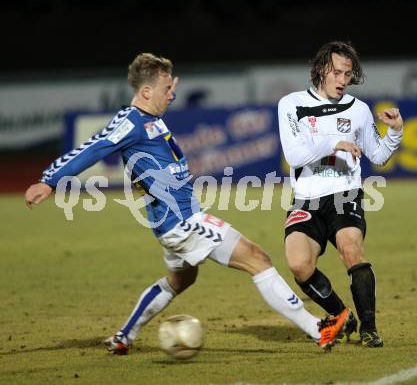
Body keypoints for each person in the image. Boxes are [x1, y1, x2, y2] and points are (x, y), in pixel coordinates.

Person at [25, 53, 349, 355]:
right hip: (183, 222)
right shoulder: (132, 121)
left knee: (181, 279)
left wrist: (165, 87)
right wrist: (50, 179)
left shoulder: (151, 117)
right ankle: (316, 329)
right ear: (147, 91)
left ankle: (124, 336)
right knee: (257, 258)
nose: (173, 95)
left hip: (172, 222)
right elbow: (94, 147)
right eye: (167, 89)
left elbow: (155, 138)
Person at [278, 41, 404, 348]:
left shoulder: (359, 110)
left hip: (344, 195)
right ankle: (341, 314)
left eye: (348, 74)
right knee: (298, 264)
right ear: (321, 69)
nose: (342, 80)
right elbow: (295, 156)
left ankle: (369, 329)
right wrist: (335, 143)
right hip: (306, 199)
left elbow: (378, 155)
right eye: (337, 72)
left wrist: (396, 131)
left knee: (351, 249)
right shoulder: (291, 104)